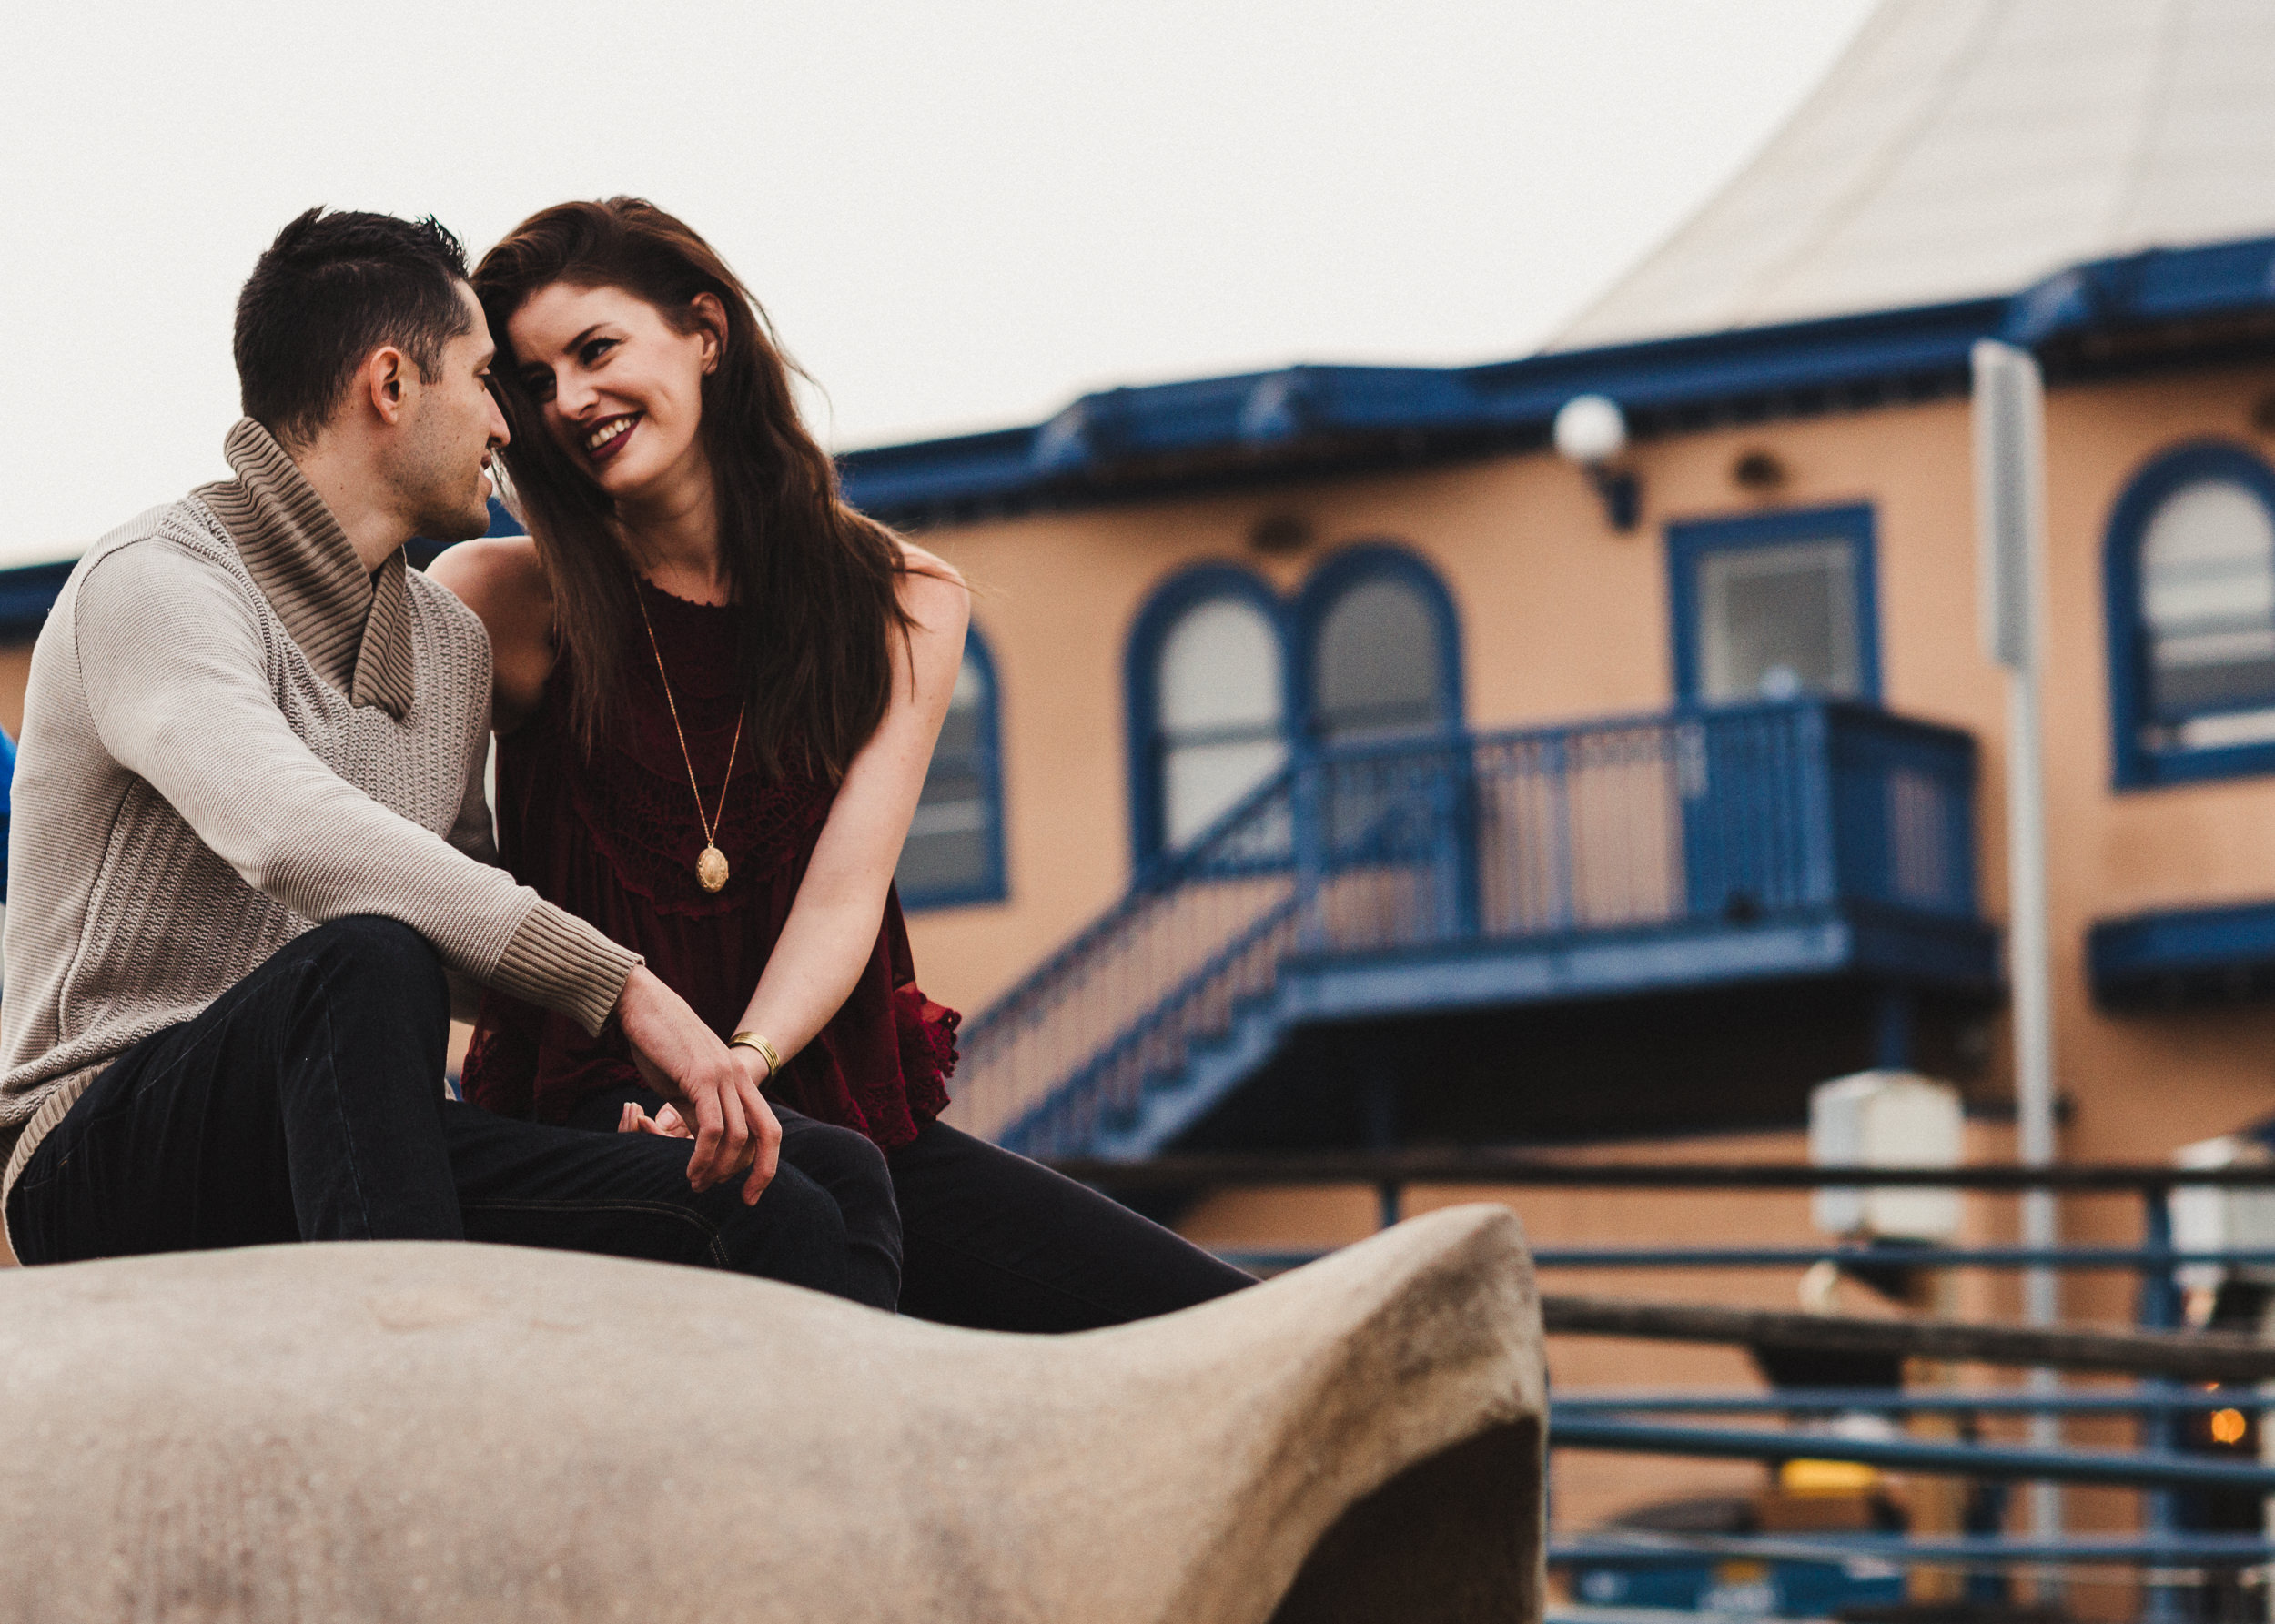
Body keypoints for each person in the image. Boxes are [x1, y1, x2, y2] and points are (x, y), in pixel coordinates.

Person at [0, 207, 895, 1310]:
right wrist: (624, 991)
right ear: (390, 384)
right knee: (367, 958)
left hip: (354, 1125)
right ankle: (416, 1412)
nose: (508, 424)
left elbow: (468, 921)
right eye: (483, 378)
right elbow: (290, 830)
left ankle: (818, 1483)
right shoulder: (152, 584)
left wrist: (631, 1074)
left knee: (807, 1187)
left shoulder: (446, 642)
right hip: (108, 1147)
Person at [433, 197, 1254, 1331]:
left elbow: (844, 891)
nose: (571, 400)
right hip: (598, 1117)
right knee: (815, 1201)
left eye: (596, 349)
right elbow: (419, 867)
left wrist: (735, 1072)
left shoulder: (903, 603)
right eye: (532, 382)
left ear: (706, 334)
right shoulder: (498, 600)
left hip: (823, 1098)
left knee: (1232, 1329)